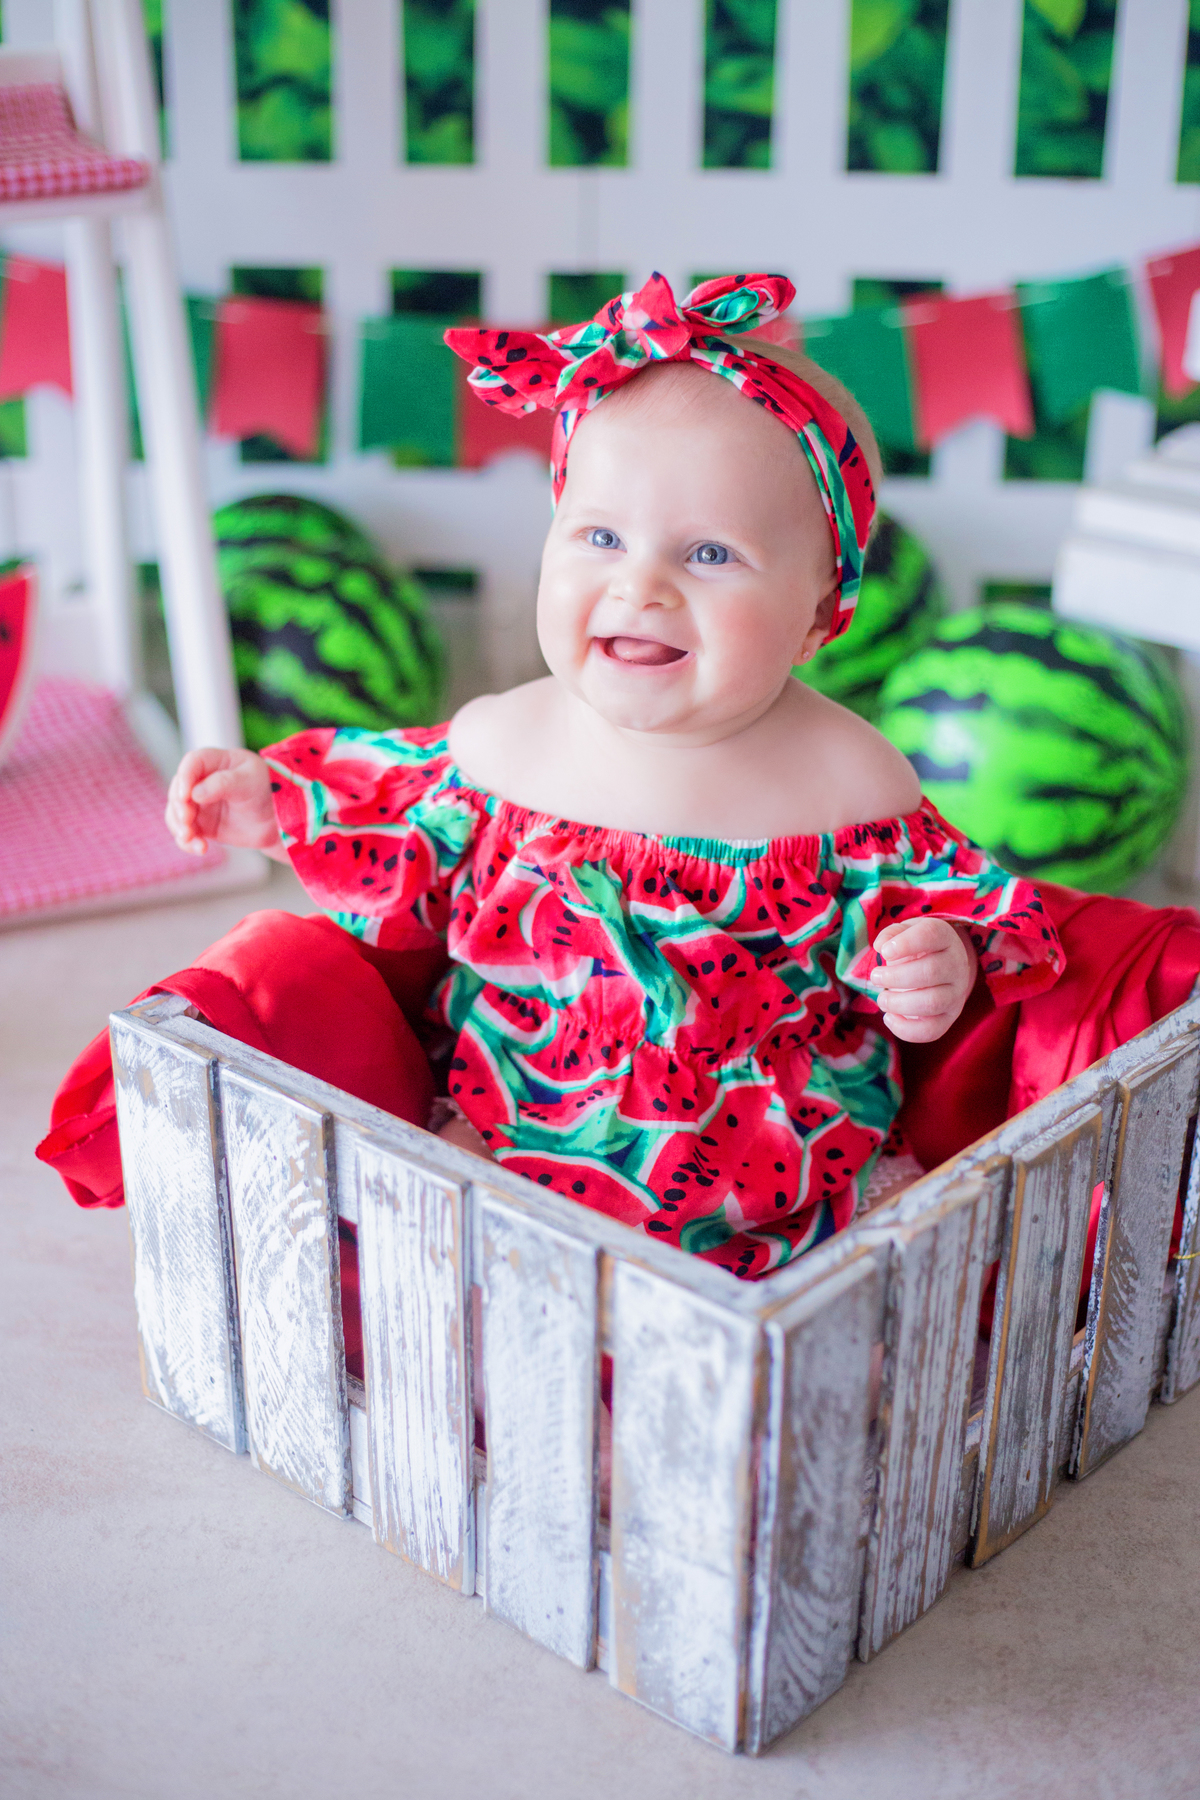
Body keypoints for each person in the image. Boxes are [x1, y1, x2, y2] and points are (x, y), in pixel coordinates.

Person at [164, 273, 1063, 1279]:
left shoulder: (854, 783)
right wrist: (276, 800)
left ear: (821, 613)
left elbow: (962, 915)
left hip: (788, 1194)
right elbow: (388, 802)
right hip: (508, 1145)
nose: (641, 585)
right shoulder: (510, 745)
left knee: (874, 1297)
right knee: (430, 1254)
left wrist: (937, 961)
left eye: (712, 553)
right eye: (600, 536)